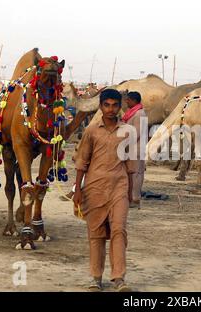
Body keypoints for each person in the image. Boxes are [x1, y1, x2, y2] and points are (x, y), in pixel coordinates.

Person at [73, 89, 137, 292]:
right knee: (96, 233)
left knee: (119, 230)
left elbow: (130, 164)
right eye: (106, 105)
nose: (111, 109)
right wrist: (77, 189)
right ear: (100, 106)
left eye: (115, 105)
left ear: (120, 107)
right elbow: (82, 160)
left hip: (119, 187)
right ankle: (96, 277)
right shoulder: (91, 131)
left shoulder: (127, 131)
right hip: (94, 188)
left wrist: (131, 191)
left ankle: (119, 278)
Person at [123, 91, 147, 208]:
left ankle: (135, 198)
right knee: (134, 173)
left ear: (134, 101)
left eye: (128, 100)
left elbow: (136, 133)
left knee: (136, 174)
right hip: (133, 148)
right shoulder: (134, 113)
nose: (126, 101)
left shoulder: (139, 114)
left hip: (136, 148)